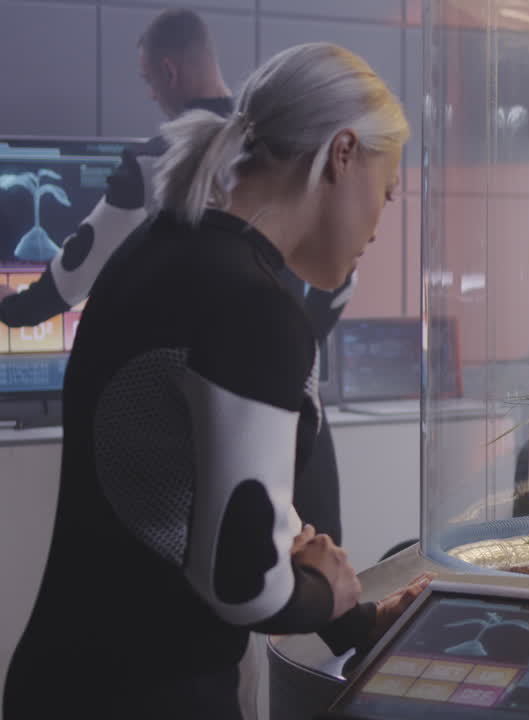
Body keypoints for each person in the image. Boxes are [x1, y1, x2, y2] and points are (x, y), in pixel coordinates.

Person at [3, 42, 427, 719]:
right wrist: (327, 590)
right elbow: (241, 582)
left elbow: (215, 500)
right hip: (153, 697)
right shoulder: (254, 307)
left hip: (59, 682)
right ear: (342, 154)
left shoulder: (159, 251)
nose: (386, 213)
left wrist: (355, 622)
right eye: (389, 184)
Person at [0, 8, 351, 543]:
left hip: (212, 433)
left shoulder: (155, 164)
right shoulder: (291, 153)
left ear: (169, 72)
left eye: (147, 79)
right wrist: (294, 348)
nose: (149, 94)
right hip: (304, 424)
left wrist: (10, 311)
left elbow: (71, 278)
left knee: (228, 588)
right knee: (321, 588)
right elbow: (338, 278)